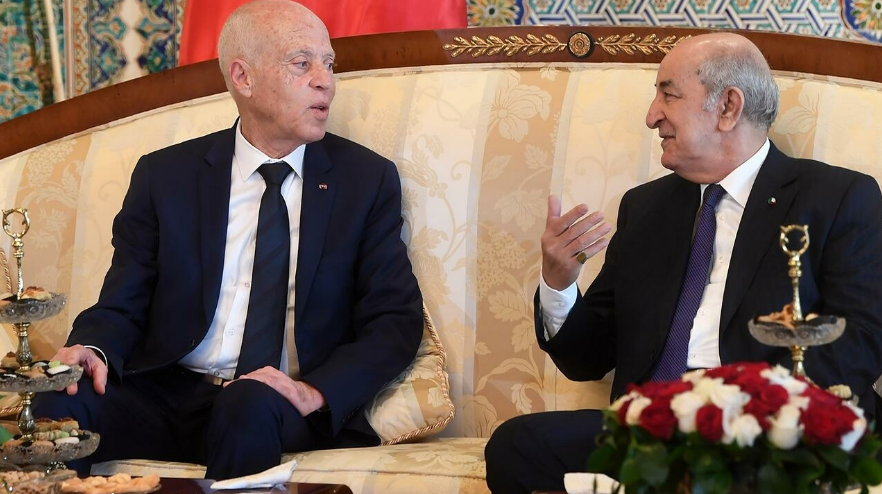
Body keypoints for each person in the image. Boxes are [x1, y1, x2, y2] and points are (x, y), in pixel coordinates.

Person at [32, 0, 423, 480]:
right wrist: (91, 347)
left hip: (273, 400)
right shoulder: (166, 176)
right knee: (62, 396)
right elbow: (123, 301)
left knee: (247, 405)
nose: (326, 81)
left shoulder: (364, 180)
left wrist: (315, 392)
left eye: (329, 64)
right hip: (166, 390)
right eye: (302, 64)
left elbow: (395, 321)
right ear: (243, 77)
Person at [484, 32, 882, 494]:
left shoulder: (836, 198)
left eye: (668, 95)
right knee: (516, 446)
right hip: (652, 428)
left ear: (728, 107)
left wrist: (750, 414)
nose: (651, 115)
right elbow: (588, 357)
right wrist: (559, 284)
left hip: (765, 427)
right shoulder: (645, 208)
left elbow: (860, 340)